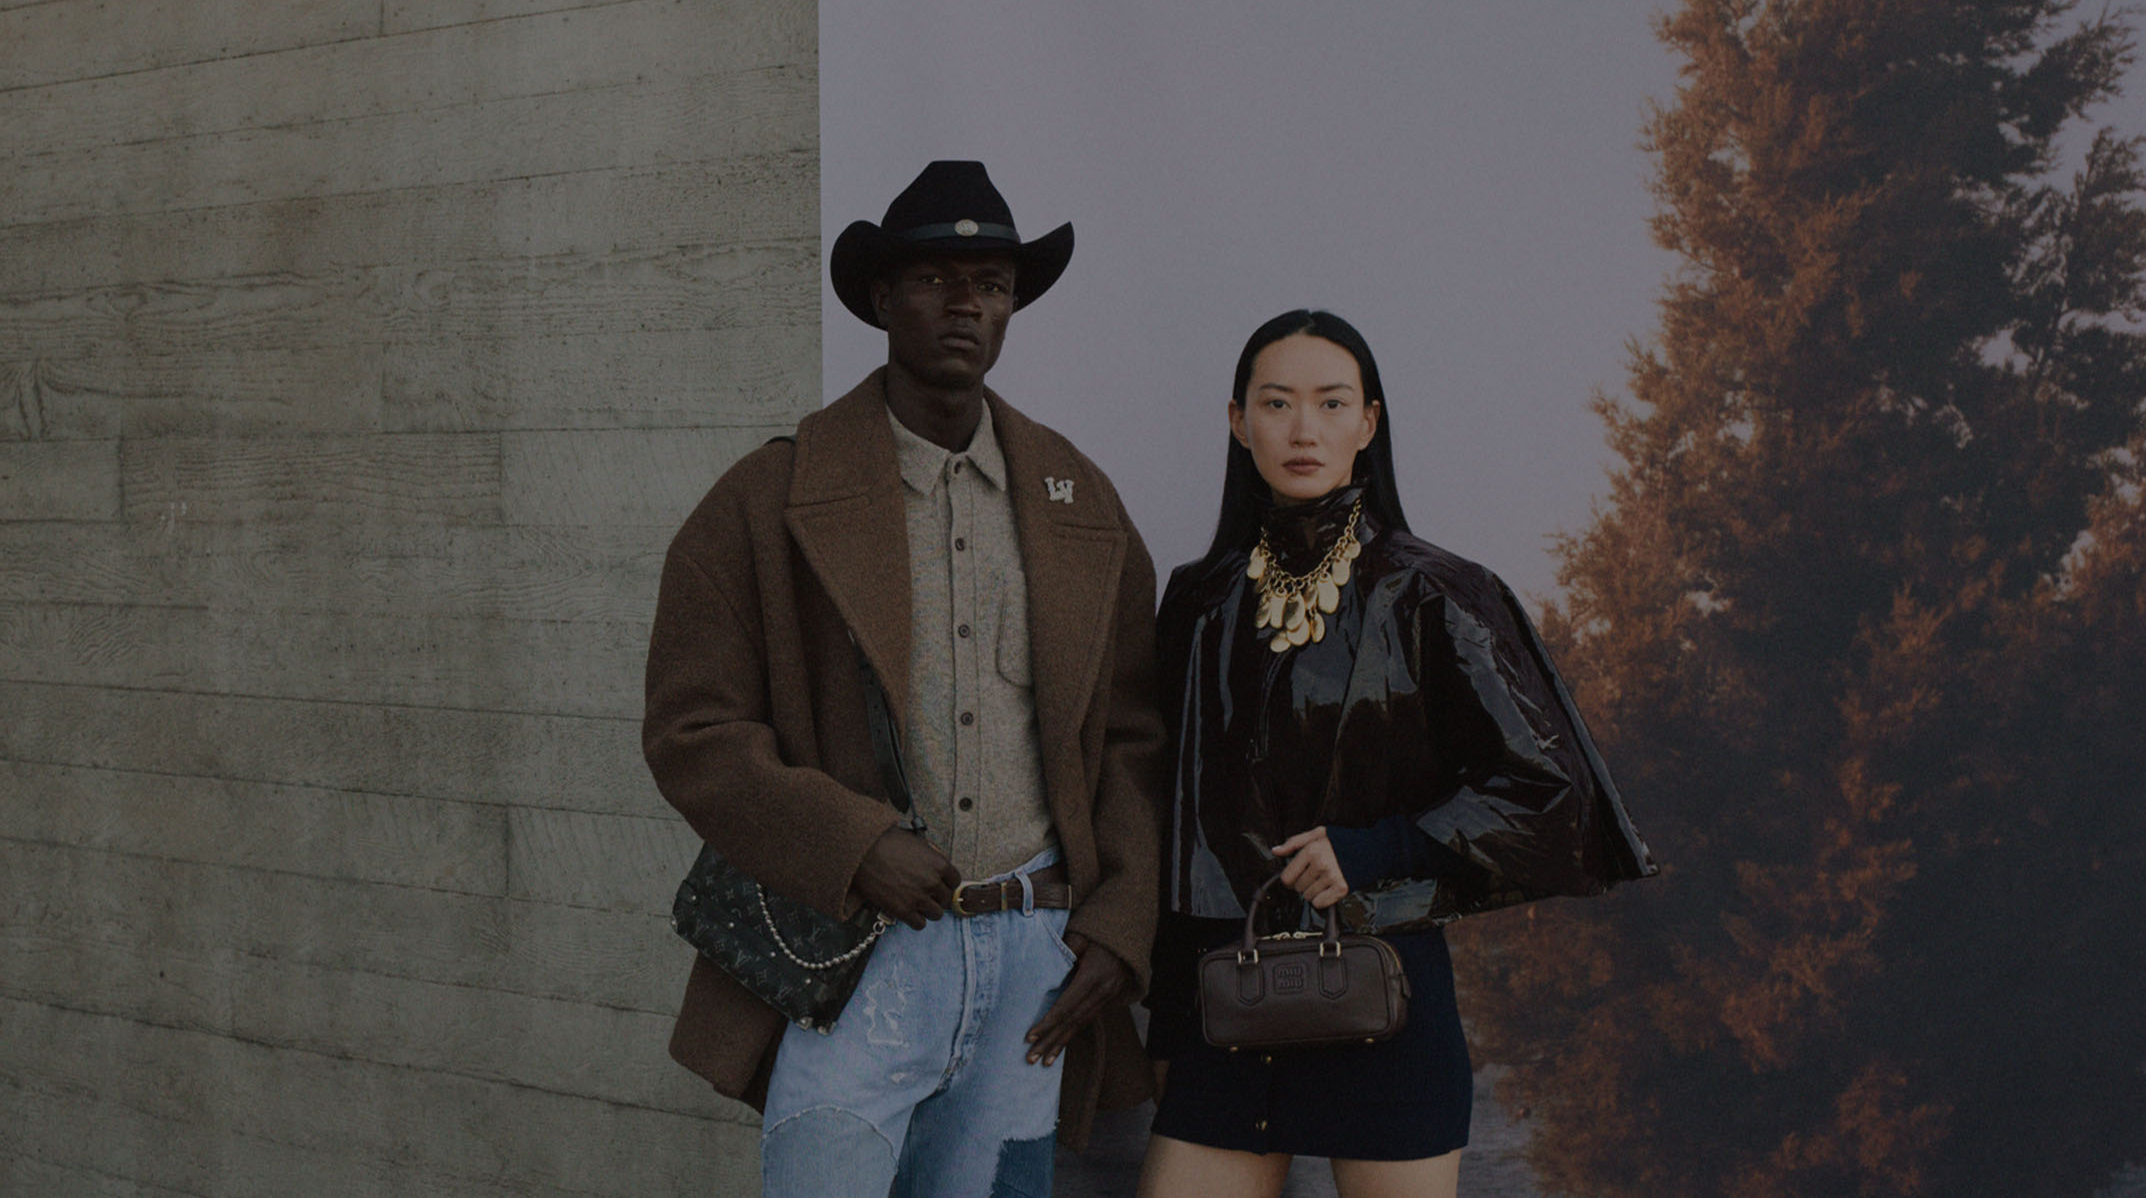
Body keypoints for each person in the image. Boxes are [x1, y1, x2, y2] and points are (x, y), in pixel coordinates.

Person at [646, 160, 1167, 1197]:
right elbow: (693, 728)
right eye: (935, 276)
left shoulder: (1080, 499)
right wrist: (852, 841)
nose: (967, 302)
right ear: (882, 297)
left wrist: (1119, 921)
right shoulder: (768, 495)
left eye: (994, 282)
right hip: (862, 956)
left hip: (1035, 957)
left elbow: (1133, 736)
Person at [1134, 310, 1658, 1198]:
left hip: (1383, 999)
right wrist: (1164, 1028)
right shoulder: (1198, 599)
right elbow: (1173, 812)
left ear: (1368, 423)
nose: (1304, 428)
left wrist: (1376, 849)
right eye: (1277, 402)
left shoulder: (1437, 592)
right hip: (1228, 1004)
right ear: (1238, 422)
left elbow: (1553, 791)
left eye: (1331, 403)